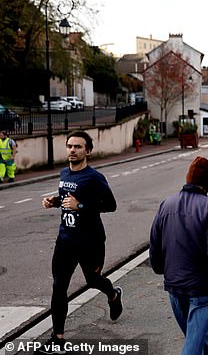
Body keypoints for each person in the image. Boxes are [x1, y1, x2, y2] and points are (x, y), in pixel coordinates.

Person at [39, 131, 121, 354]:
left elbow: (111, 205)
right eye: (69, 146)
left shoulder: (95, 178)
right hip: (65, 240)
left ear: (88, 151)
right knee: (58, 287)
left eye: (78, 147)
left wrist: (81, 207)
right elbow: (67, 200)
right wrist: (54, 202)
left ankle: (113, 295)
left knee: (93, 280)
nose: (72, 150)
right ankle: (58, 339)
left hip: (90, 242)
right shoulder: (65, 173)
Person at [150, 156, 208, 355]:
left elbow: (155, 243)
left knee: (196, 337)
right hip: (201, 288)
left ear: (188, 178)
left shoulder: (166, 204)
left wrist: (161, 269)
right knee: (193, 346)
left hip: (174, 285)